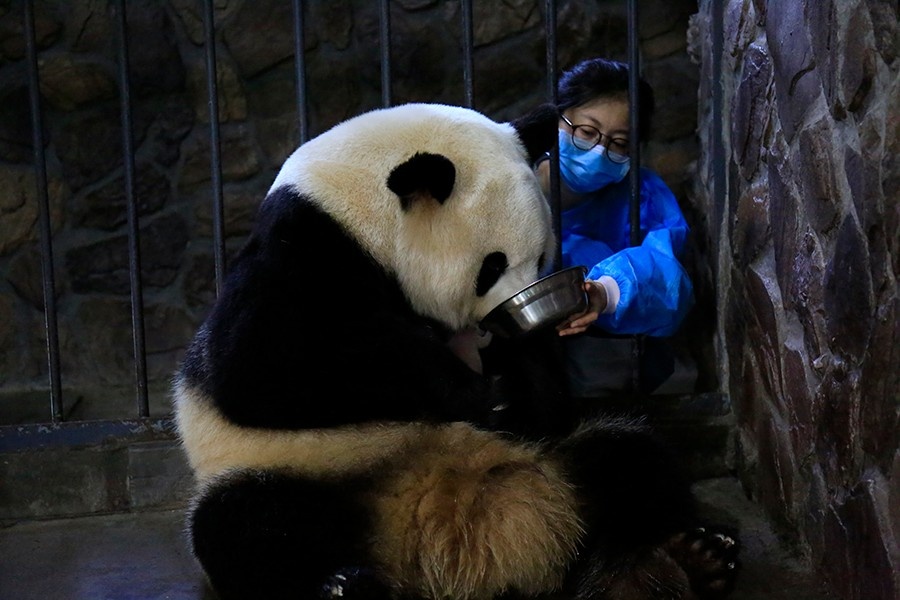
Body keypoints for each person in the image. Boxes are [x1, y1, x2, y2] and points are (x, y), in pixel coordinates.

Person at [535, 57, 695, 398]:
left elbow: (668, 279)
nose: (598, 151)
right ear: (556, 120)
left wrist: (606, 293)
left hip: (603, 365)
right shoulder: (508, 178)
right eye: (586, 132)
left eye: (619, 143)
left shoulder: (643, 196)